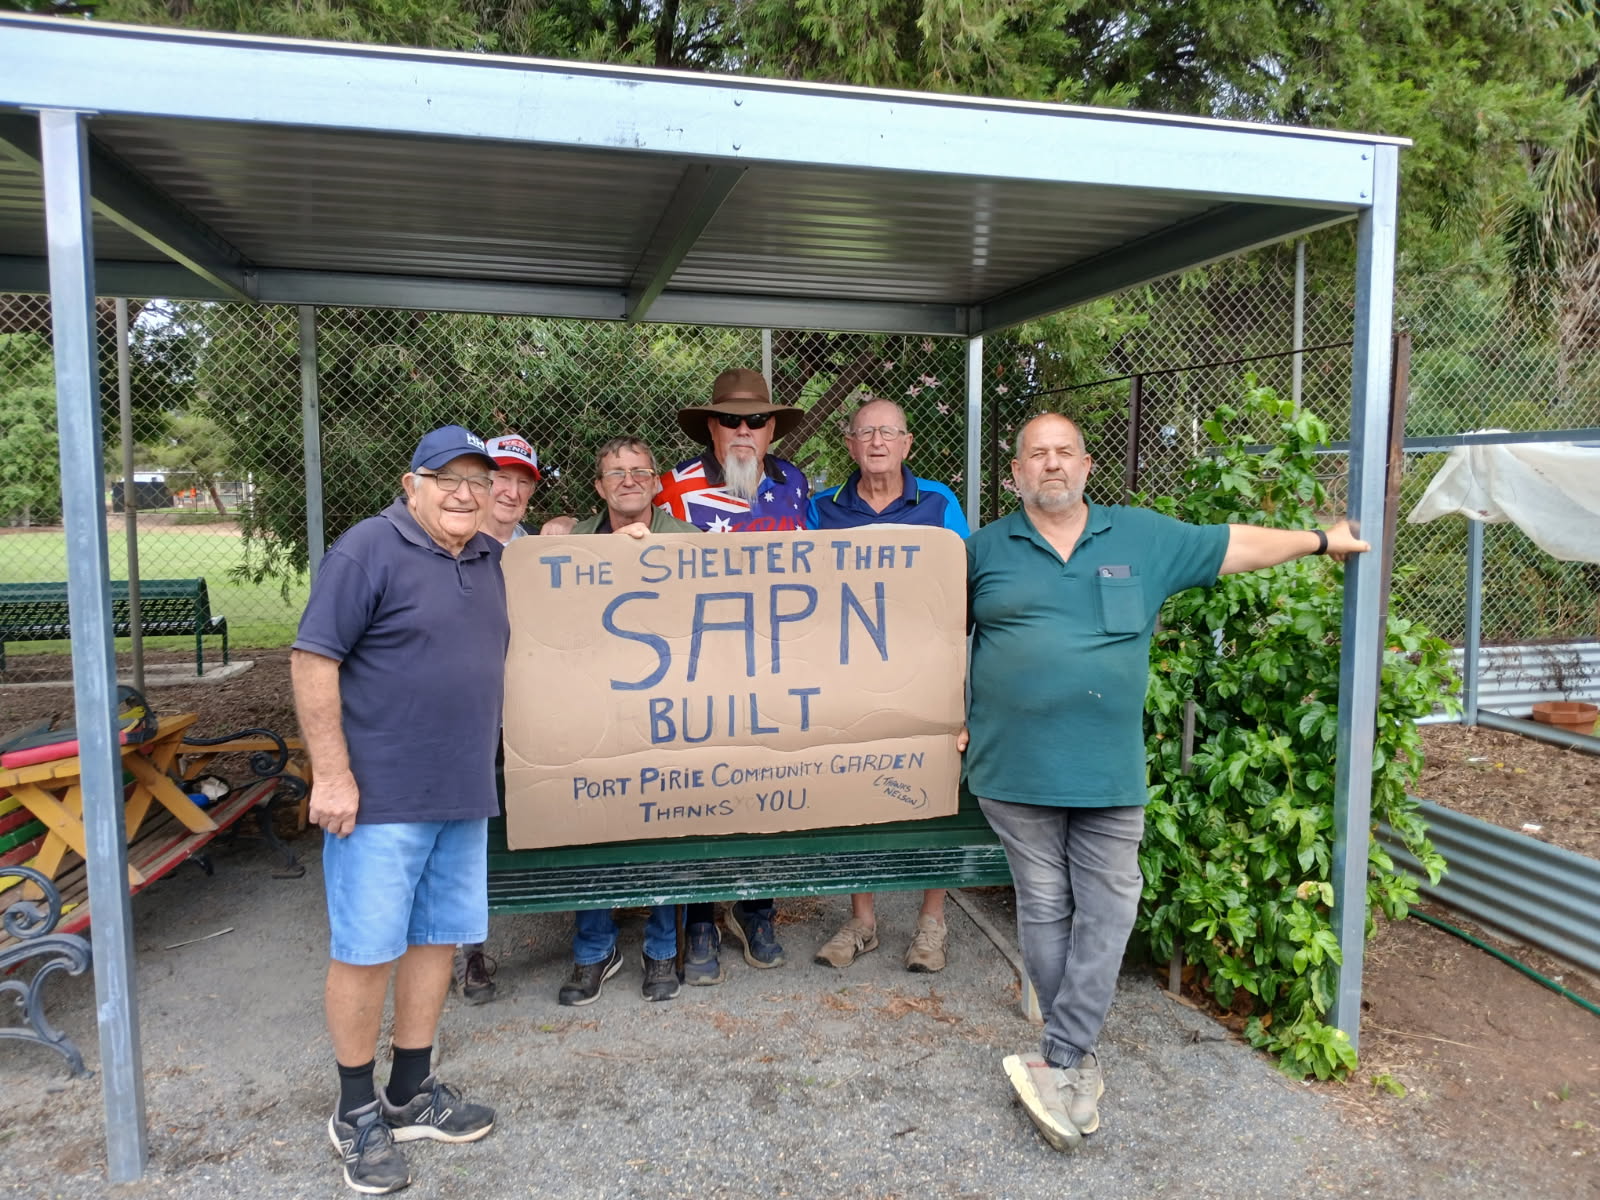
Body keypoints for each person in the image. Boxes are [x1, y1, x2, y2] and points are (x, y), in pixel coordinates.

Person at [964, 412, 1370, 1154]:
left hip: (1108, 772)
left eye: (1064, 453)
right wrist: (941, 717)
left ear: (1086, 466)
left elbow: (1233, 544)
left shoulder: (1141, 537)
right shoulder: (982, 550)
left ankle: (1063, 1055)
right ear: (1015, 474)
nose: (1051, 464)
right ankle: (1071, 1060)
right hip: (1013, 768)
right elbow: (924, 637)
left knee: (1112, 905)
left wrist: (1320, 540)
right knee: (1046, 904)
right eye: (1036, 455)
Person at [291, 425, 507, 1194]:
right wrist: (331, 775)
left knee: (436, 939)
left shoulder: (488, 557)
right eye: (447, 479)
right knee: (367, 949)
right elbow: (313, 659)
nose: (464, 494)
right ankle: (355, 1111)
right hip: (379, 798)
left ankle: (410, 1091)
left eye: (478, 481)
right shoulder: (367, 550)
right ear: (411, 484)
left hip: (461, 791)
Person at [655, 367, 809, 982]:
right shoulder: (675, 488)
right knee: (700, 787)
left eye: (757, 420)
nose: (744, 430)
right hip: (698, 666)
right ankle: (700, 915)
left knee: (767, 780)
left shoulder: (794, 484)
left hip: (773, 661)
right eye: (730, 420)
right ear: (711, 429)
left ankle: (756, 907)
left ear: (771, 430)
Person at [808, 395, 968, 974]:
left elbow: (961, 580)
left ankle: (932, 921)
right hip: (849, 674)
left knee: (936, 786)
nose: (877, 442)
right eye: (866, 432)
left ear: (907, 444)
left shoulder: (939, 502)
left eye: (888, 432)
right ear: (849, 444)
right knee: (854, 786)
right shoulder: (821, 508)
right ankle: (863, 921)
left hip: (926, 670)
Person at [557, 436, 702, 1005]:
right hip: (593, 706)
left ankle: (663, 947)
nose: (628, 480)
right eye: (615, 472)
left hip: (669, 706)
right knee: (590, 817)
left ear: (656, 482)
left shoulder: (689, 540)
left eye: (640, 471)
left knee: (668, 816)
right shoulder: (569, 543)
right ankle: (595, 948)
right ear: (599, 486)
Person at [452, 433, 543, 1007]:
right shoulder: (449, 543)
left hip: (531, 708)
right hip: (470, 710)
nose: (510, 491)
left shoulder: (540, 551)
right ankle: (469, 949)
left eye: (521, 481)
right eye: (500, 478)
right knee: (468, 827)